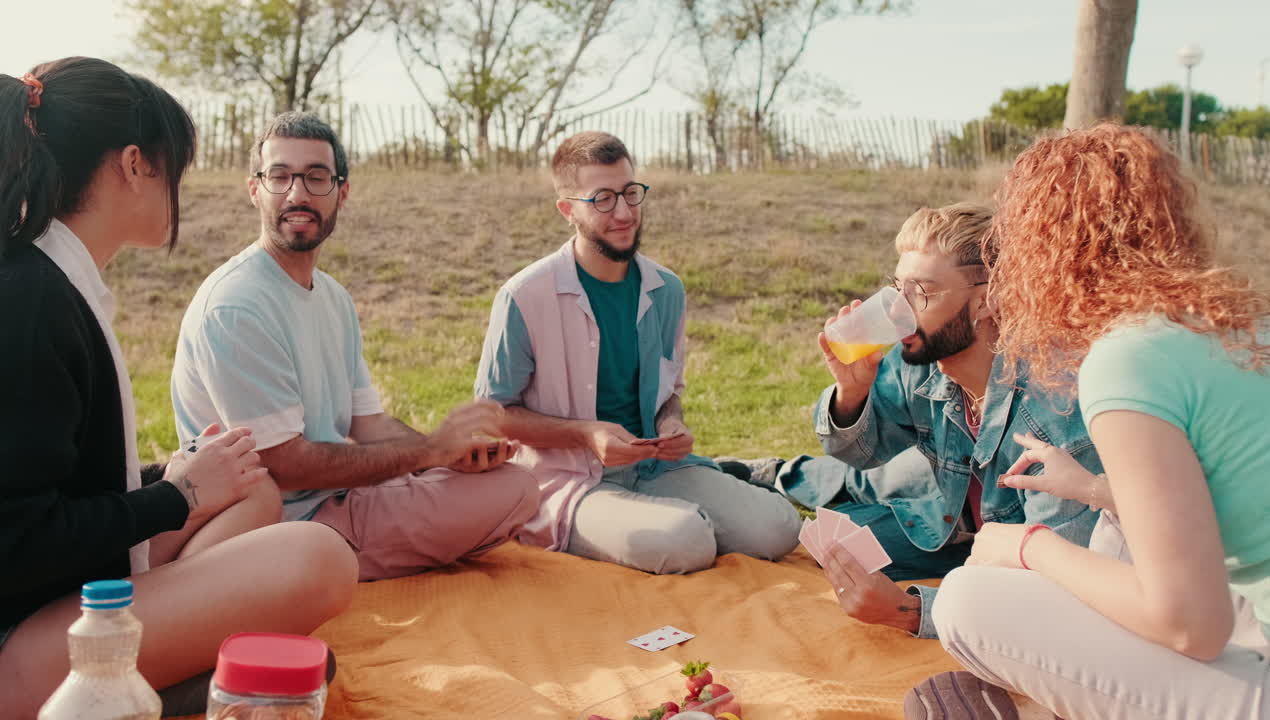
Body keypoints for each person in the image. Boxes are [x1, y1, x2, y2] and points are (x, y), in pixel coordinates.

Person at [0, 59, 357, 718]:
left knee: (251, 484)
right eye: (177, 170)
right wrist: (176, 497)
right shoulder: (31, 303)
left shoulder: (52, 281)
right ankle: (135, 685)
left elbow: (46, 482)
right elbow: (17, 542)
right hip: (17, 646)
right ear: (135, 164)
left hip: (64, 593)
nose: (179, 193)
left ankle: (172, 661)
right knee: (321, 557)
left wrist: (173, 477)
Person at [912, 124, 1270, 720]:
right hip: (1256, 620)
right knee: (1115, 530)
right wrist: (1090, 489)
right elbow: (1232, 506)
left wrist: (1030, 547)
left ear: (1043, 251)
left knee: (966, 600)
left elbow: (1194, 626)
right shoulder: (1242, 329)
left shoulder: (1128, 358)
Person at [170, 111, 539, 582]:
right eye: (280, 176)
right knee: (509, 497)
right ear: (255, 190)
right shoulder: (236, 306)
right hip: (280, 523)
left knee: (515, 485)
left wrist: (451, 454)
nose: (297, 194)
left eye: (315, 177)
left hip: (339, 497)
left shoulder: (332, 296)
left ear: (341, 193)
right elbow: (285, 468)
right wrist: (427, 455)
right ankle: (323, 567)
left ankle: (367, 556)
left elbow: (369, 424)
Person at [474, 131, 801, 574]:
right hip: (569, 481)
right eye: (603, 199)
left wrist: (671, 421)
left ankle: (672, 510)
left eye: (630, 193)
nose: (625, 212)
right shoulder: (523, 296)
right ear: (567, 210)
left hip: (656, 468)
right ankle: (648, 521)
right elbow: (493, 416)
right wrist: (587, 433)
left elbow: (668, 392)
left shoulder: (667, 290)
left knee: (779, 528)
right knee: (685, 541)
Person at [800, 202, 1100, 639]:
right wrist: (853, 391)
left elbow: (1059, 595)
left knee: (868, 525)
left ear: (986, 301)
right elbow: (857, 452)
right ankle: (773, 475)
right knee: (837, 545)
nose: (895, 311)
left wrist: (907, 611)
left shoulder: (1055, 414)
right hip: (954, 530)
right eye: (895, 289)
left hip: (1022, 557)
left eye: (919, 292)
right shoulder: (919, 361)